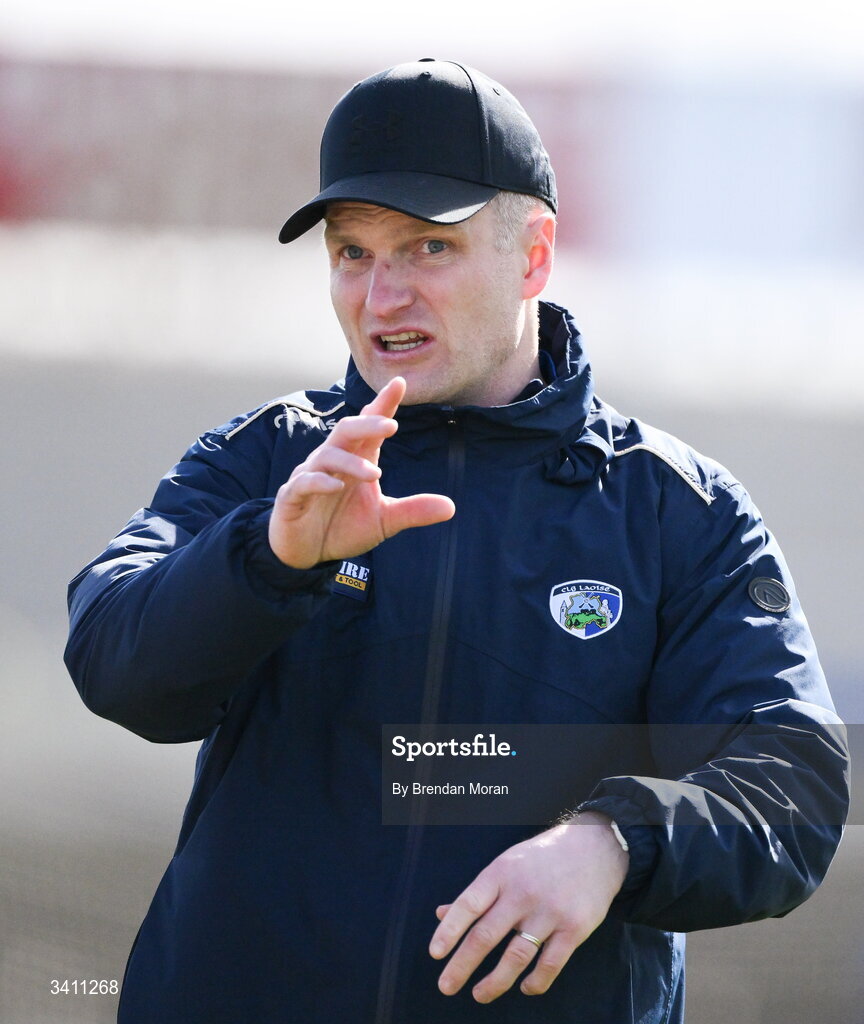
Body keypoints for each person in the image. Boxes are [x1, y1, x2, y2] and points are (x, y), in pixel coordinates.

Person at [65, 59, 849, 1024]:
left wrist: (613, 844)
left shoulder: (678, 513)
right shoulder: (264, 462)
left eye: (427, 248)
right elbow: (112, 662)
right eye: (352, 253)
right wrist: (268, 559)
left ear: (533, 256)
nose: (381, 295)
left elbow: (797, 780)